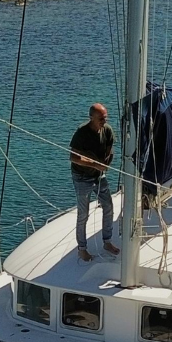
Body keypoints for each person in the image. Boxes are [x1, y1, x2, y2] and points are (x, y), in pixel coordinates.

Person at [69, 103, 119, 262]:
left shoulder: (108, 130)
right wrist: (94, 164)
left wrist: (105, 165)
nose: (104, 121)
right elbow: (73, 157)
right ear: (91, 118)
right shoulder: (81, 133)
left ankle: (107, 241)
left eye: (105, 118)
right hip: (82, 177)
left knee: (108, 206)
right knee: (83, 214)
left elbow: (110, 150)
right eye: (101, 119)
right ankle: (82, 249)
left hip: (99, 176)